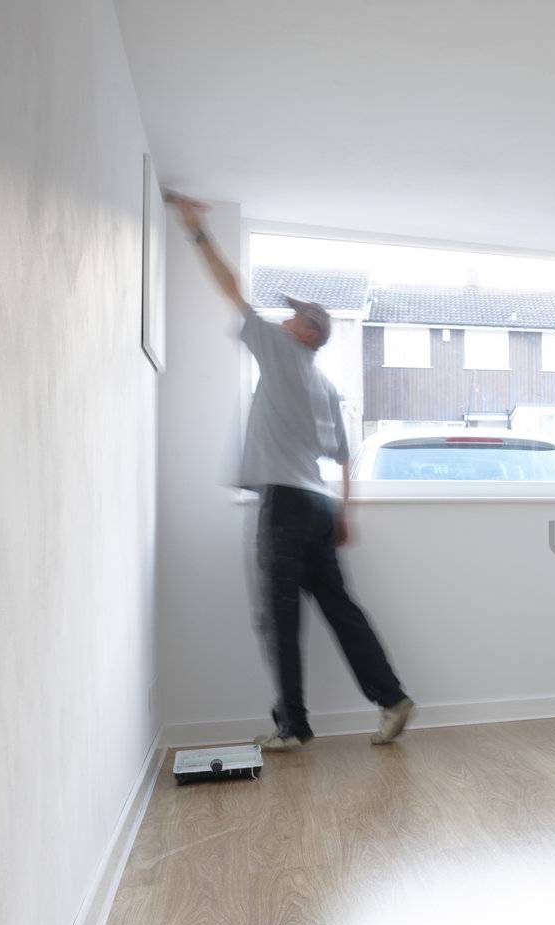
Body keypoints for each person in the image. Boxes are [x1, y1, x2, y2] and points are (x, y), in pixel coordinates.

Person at [168, 192, 415, 751]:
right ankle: (392, 698)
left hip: (284, 504)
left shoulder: (281, 352)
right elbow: (346, 458)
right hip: (318, 506)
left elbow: (230, 289)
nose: (282, 319)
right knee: (340, 609)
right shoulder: (327, 387)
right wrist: (344, 516)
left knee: (279, 617)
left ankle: (293, 727)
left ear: (308, 332)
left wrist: (197, 231)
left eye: (294, 316)